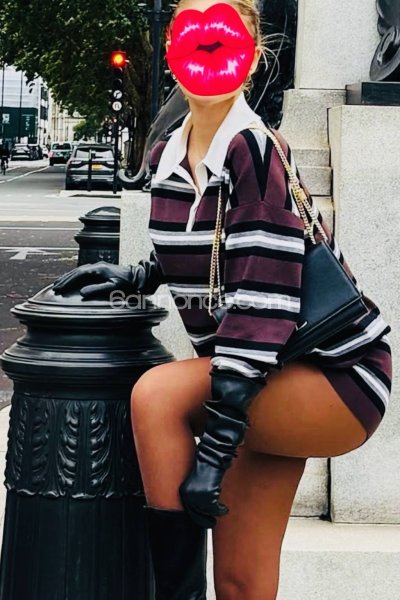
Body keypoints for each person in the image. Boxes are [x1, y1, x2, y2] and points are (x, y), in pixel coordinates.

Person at [53, 0, 392, 598]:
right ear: (172, 53)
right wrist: (138, 275)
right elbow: (209, 248)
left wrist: (213, 451)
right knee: (241, 582)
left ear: (253, 55)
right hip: (263, 378)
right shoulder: (164, 156)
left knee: (158, 395)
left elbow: (263, 295)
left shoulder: (253, 150)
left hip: (332, 375)